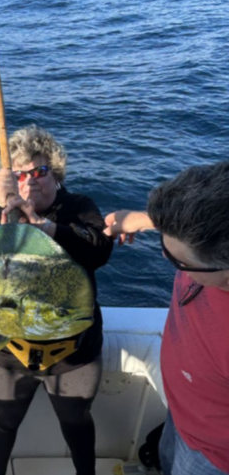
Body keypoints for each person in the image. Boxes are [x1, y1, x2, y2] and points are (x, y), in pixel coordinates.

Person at [0, 125, 114, 475]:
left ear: (55, 175)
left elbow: (99, 249)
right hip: (7, 350)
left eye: (40, 171)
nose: (31, 180)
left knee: (76, 422)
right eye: (20, 173)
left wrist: (48, 229)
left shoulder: (77, 207)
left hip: (73, 354)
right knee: (2, 422)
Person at [104, 162, 229, 475]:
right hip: (181, 417)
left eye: (178, 260)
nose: (165, 257)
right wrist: (143, 220)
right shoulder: (208, 239)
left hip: (212, 456)